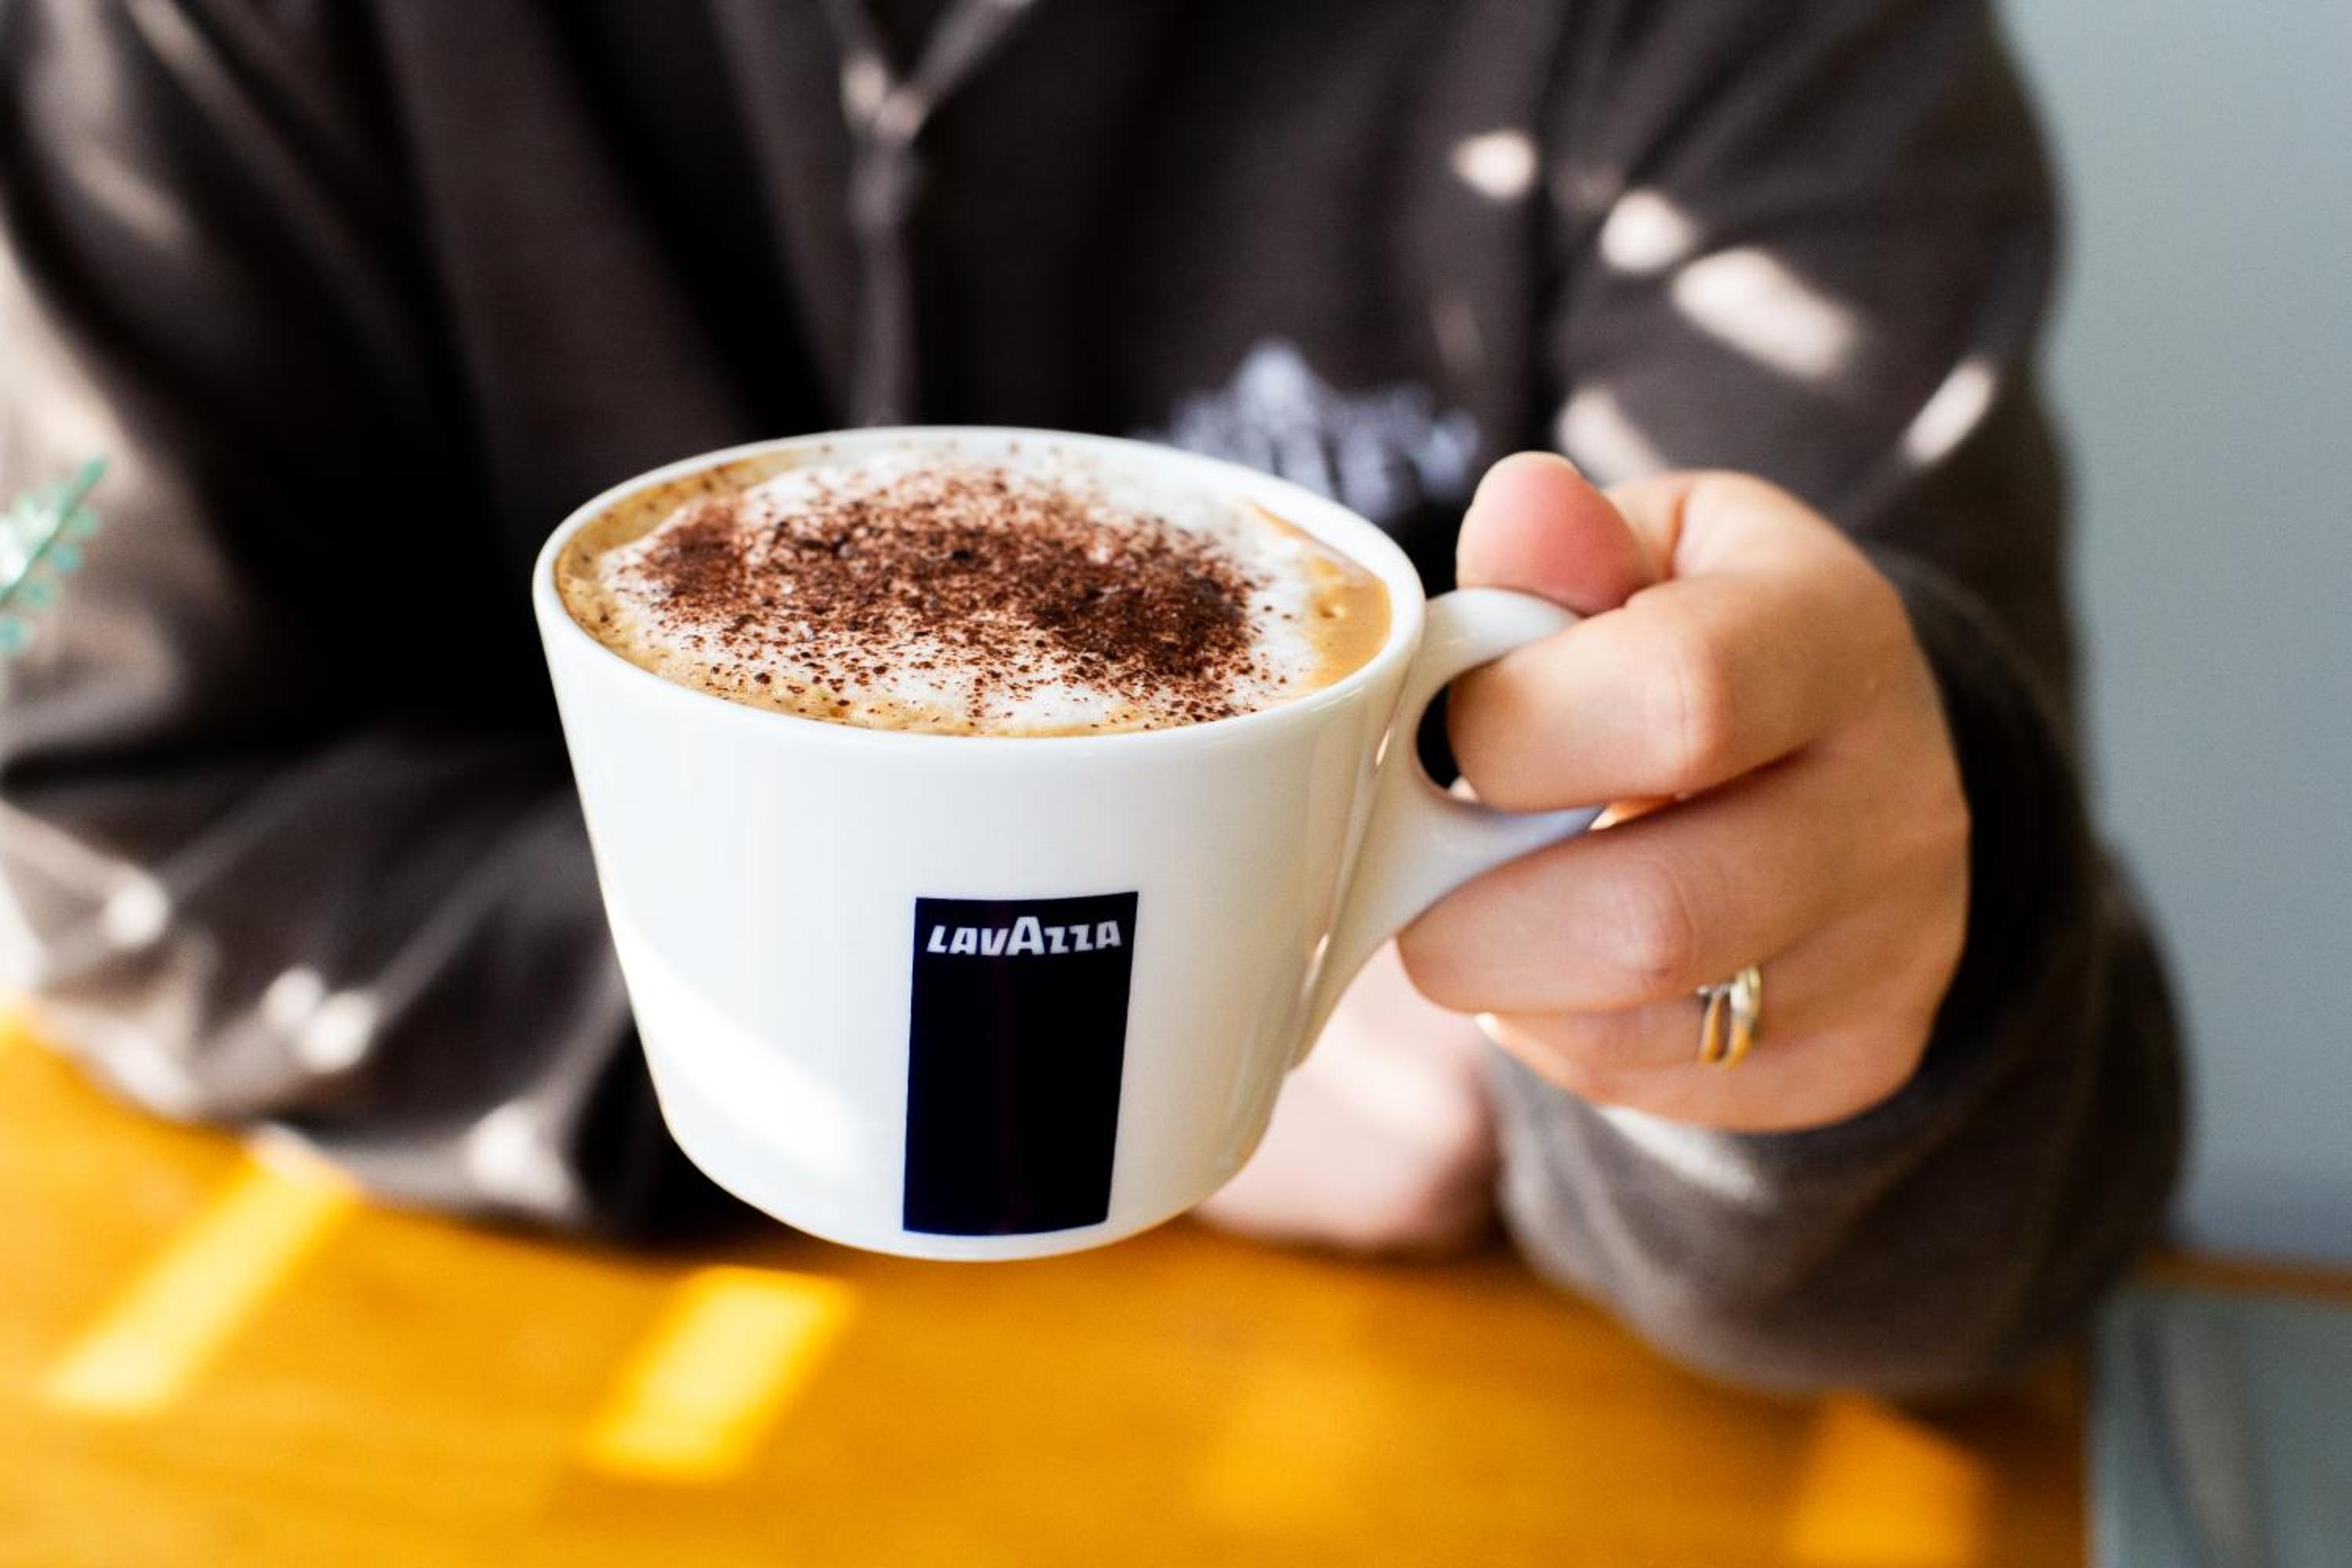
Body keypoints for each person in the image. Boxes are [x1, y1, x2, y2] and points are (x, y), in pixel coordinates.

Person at [0, 0, 2178, 1397]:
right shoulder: (185, 46)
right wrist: (1002, 1042)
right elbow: (84, 793)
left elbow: (1995, 1240)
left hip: (1423, 1410)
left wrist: (1837, 996)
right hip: (476, 1368)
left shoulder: (1737, 47)